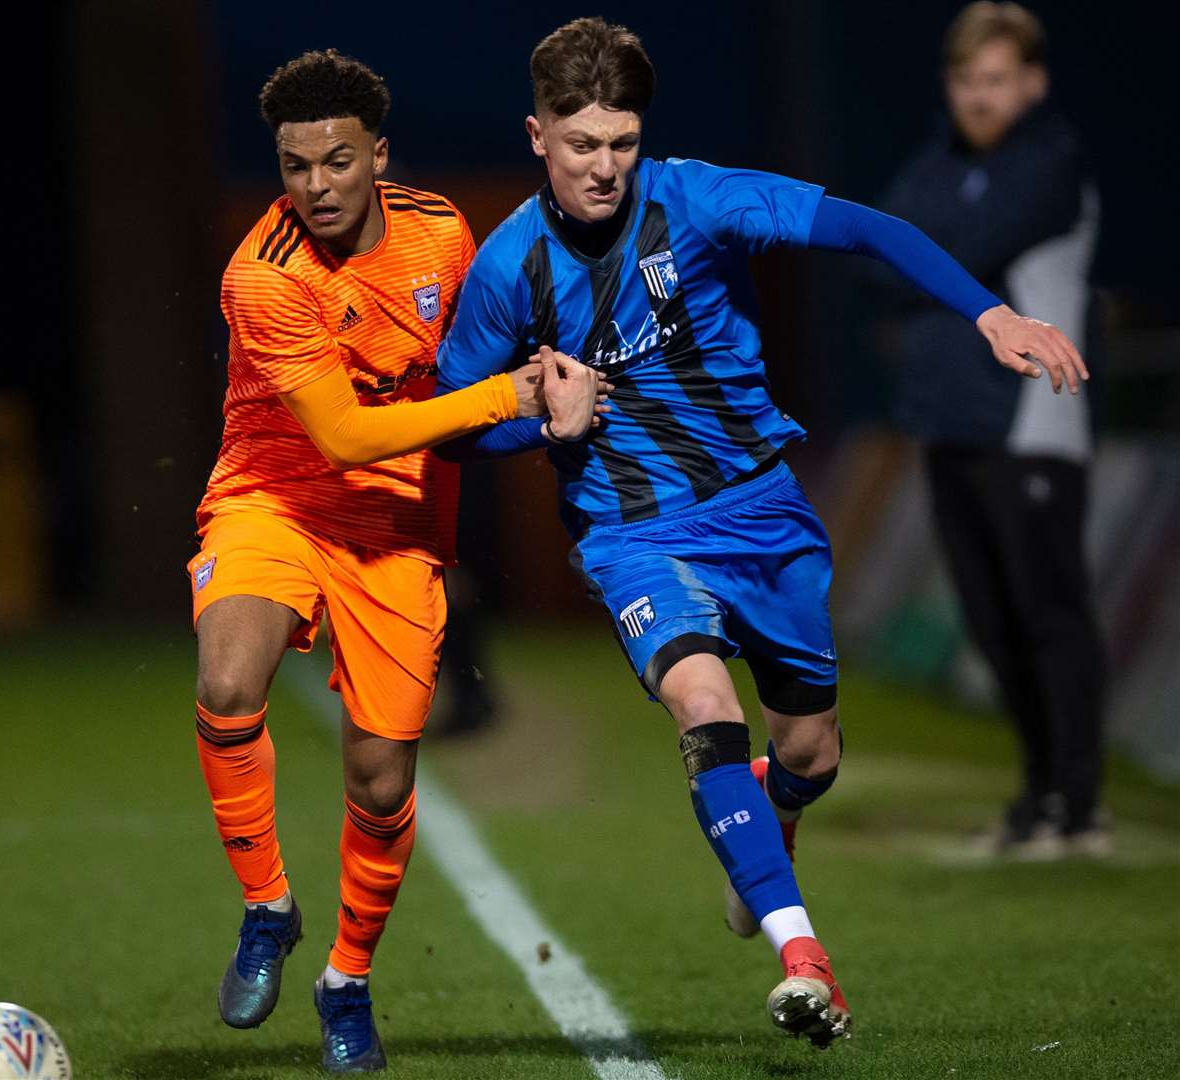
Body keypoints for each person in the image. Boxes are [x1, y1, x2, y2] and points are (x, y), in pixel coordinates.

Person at [434, 16, 1086, 1049]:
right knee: (703, 704)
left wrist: (985, 314)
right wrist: (526, 419)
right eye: (581, 144)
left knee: (809, 751)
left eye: (621, 142)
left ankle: (775, 821)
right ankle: (801, 954)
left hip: (761, 509)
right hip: (632, 530)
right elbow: (449, 427)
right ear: (536, 135)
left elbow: (867, 227)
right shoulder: (508, 269)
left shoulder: (697, 196)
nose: (604, 168)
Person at [187, 49, 599, 1073]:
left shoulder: (442, 230)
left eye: (334, 162)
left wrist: (549, 402)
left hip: (396, 533)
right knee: (228, 682)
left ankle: (346, 980)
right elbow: (349, 438)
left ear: (377, 153)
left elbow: (462, 383)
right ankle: (267, 908)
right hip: (272, 500)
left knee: (378, 782)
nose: (314, 188)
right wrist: (516, 398)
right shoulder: (262, 276)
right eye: (293, 167)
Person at [876, 2, 1108, 858]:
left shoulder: (1052, 161)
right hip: (949, 421)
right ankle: (1039, 791)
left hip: (1033, 422)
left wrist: (920, 256)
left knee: (1050, 615)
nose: (980, 97)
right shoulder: (935, 162)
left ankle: (1077, 806)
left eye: (998, 79)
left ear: (1033, 83)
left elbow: (953, 245)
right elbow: (884, 260)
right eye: (968, 80)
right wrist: (917, 256)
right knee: (990, 619)